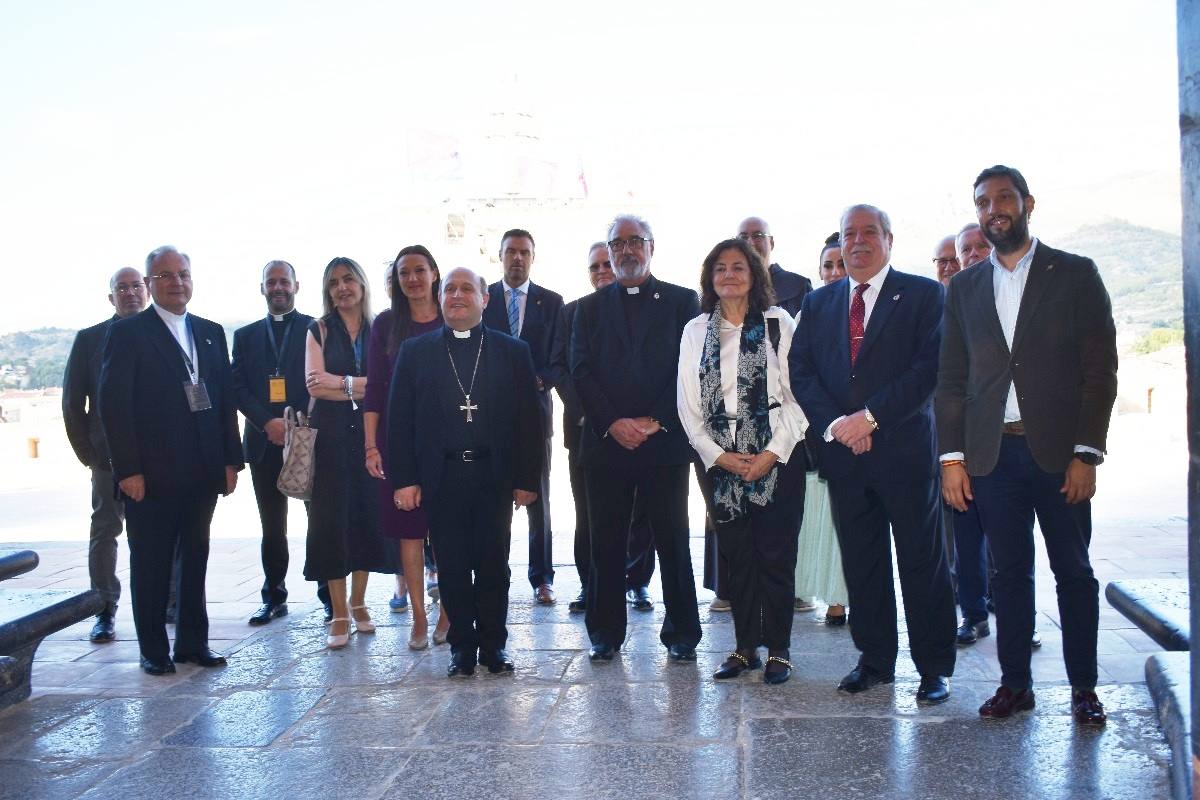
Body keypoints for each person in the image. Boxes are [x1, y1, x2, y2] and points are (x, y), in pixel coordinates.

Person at [937, 165, 1117, 726]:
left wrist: (1087, 452)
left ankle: (1084, 687)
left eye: (1004, 198)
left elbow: (1100, 372)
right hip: (992, 458)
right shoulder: (965, 286)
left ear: (1028, 203)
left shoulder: (1075, 273)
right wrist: (953, 458)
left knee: (1074, 572)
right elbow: (951, 379)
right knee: (1007, 575)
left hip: (1061, 457)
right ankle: (1016, 685)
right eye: (983, 202)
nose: (995, 209)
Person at [790, 205, 957, 705]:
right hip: (845, 458)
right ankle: (875, 660)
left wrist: (871, 417)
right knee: (863, 565)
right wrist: (840, 424)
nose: (857, 241)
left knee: (922, 564)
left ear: (888, 239)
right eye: (849, 234)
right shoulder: (818, 304)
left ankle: (933, 668)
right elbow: (802, 373)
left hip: (903, 455)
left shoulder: (925, 294)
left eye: (868, 233)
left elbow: (929, 369)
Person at [388, 267, 542, 677]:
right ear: (440, 298)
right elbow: (399, 420)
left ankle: (494, 646)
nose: (457, 295)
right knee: (452, 566)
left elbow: (532, 420)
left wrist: (527, 479)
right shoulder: (415, 352)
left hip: (494, 474)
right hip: (442, 476)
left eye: (466, 289)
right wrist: (404, 479)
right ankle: (461, 648)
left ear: (484, 298)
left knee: (494, 565)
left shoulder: (513, 351)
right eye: (450, 289)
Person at [98, 246, 242, 675]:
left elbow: (223, 401)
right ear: (149, 284)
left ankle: (193, 643)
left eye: (183, 273)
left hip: (202, 469)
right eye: (165, 276)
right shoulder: (128, 334)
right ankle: (154, 650)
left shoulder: (211, 331)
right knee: (152, 561)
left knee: (196, 557)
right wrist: (128, 470)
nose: (176, 282)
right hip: (151, 474)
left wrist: (230, 460)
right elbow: (114, 406)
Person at [570, 214, 702, 662]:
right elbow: (580, 371)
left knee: (672, 537)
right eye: (617, 243)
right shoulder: (586, 309)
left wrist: (654, 420)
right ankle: (605, 632)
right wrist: (614, 423)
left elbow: (691, 368)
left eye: (634, 242)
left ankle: (683, 631)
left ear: (651, 246)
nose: (626, 251)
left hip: (663, 442)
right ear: (608, 251)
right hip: (607, 445)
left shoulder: (684, 301)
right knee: (604, 541)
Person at [678, 239, 807, 684]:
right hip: (719, 462)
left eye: (738, 266)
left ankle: (780, 650)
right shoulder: (695, 330)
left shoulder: (778, 324)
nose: (729, 274)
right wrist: (720, 458)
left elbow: (797, 397)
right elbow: (688, 408)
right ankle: (745, 646)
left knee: (775, 555)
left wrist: (770, 454)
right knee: (737, 556)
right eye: (720, 268)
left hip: (778, 454)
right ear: (710, 279)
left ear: (754, 274)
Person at [548, 242, 657, 614]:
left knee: (641, 513)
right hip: (586, 431)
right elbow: (561, 369)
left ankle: (638, 582)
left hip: (638, 430)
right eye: (593, 267)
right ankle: (590, 584)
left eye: (604, 266)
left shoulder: (647, 307)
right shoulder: (572, 312)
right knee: (590, 515)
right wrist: (595, 414)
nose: (600, 273)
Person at [364, 245, 450, 649]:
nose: (412, 279)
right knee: (410, 533)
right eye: (404, 273)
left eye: (419, 270)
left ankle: (449, 612)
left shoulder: (453, 314)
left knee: (448, 531)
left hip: (449, 442)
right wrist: (370, 446)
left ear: (434, 273)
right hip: (398, 442)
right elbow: (375, 390)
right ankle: (419, 616)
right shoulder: (385, 324)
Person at [303, 256, 391, 649]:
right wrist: (362, 385)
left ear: (362, 284)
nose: (342, 288)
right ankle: (338, 610)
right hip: (331, 438)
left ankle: (358, 602)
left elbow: (387, 384)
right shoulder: (318, 330)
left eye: (349, 280)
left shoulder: (380, 329)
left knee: (365, 518)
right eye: (334, 282)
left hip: (370, 436)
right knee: (331, 523)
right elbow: (314, 384)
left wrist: (345, 386)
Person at [63, 266, 147, 643]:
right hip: (107, 458)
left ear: (146, 290)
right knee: (106, 529)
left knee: (166, 531)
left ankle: (172, 603)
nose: (130, 293)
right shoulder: (90, 340)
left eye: (136, 286)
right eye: (122, 288)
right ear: (111, 297)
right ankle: (104, 609)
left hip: (159, 456)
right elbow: (71, 404)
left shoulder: (163, 333)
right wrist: (89, 454)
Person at [481, 229, 564, 605]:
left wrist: (540, 379)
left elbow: (558, 358)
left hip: (535, 412)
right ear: (500, 255)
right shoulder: (484, 298)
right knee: (493, 496)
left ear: (533, 257)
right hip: (488, 413)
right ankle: (492, 571)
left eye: (524, 253)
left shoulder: (552, 302)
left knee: (538, 497)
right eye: (510, 251)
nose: (517, 258)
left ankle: (542, 578)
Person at [231, 260, 315, 626]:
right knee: (272, 526)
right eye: (271, 282)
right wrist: (266, 422)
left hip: (307, 439)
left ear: (297, 285)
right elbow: (236, 386)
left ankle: (330, 597)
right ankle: (274, 596)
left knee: (319, 520)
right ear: (261, 288)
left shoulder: (316, 328)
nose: (278, 287)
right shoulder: (246, 336)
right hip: (264, 440)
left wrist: (297, 423)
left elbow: (318, 380)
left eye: (284, 281)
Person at [793, 234, 848, 625]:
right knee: (819, 518)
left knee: (845, 523)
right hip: (816, 434)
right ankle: (811, 588)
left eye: (840, 265)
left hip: (864, 433)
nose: (833, 273)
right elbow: (797, 374)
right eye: (827, 266)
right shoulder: (809, 312)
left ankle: (841, 598)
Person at [737, 216, 813, 316]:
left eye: (758, 235)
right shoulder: (728, 289)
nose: (750, 243)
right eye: (743, 237)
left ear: (771, 243)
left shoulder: (798, 287)